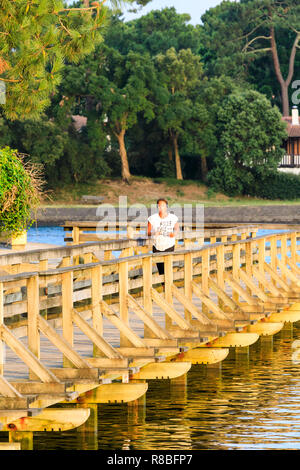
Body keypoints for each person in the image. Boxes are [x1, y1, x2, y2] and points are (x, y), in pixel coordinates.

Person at [147, 198, 179, 275]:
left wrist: (173, 234)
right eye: (159, 206)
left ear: (166, 207)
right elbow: (148, 232)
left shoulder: (172, 217)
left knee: (168, 269)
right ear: (157, 207)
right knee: (161, 271)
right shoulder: (152, 218)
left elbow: (177, 229)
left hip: (169, 246)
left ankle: (169, 285)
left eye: (163, 206)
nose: (161, 207)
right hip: (157, 246)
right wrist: (154, 233)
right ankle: (164, 286)